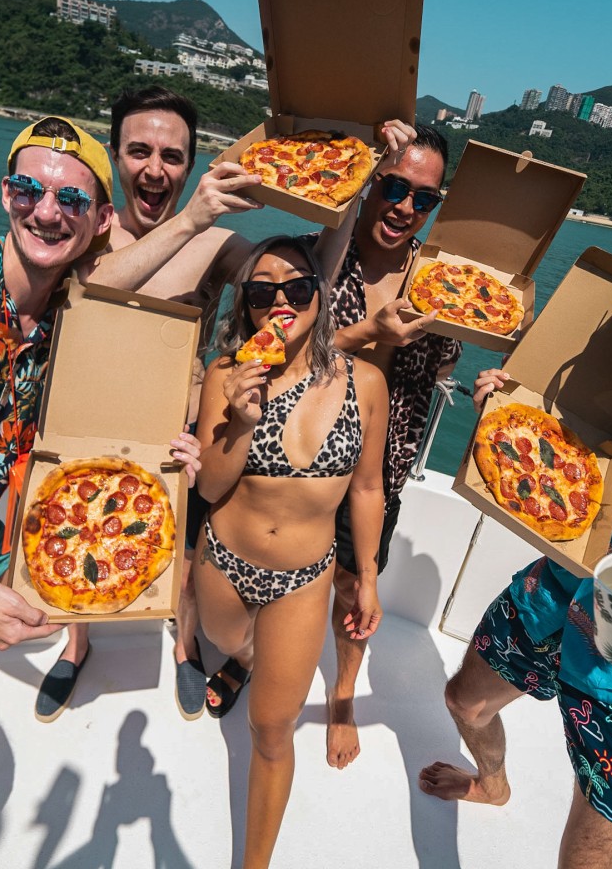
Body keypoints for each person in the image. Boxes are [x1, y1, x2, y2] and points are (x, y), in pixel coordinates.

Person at [36, 86, 416, 721]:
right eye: (139, 151)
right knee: (77, 536)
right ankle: (76, 647)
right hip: (90, 414)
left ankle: (185, 648)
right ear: (115, 154)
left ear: (192, 165)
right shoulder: (88, 230)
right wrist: (190, 219)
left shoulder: (216, 245)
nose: (155, 169)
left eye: (172, 156)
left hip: (180, 429)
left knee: (188, 558)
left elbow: (306, 278)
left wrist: (359, 181)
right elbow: (85, 297)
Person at [419, 217, 612, 869]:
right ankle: (493, 784)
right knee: (463, 703)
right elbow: (571, 450)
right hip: (558, 593)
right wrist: (508, 415)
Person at [0, 114, 202, 859]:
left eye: (72, 200)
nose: (47, 211)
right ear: (5, 193)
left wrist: (171, 451)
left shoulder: (69, 315)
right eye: (29, 189)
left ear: (100, 221)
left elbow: (127, 377)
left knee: (18, 607)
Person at [193, 235, 388, 869]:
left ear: (319, 297)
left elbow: (367, 488)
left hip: (304, 578)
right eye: (262, 291)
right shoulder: (226, 374)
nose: (281, 301)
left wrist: (367, 577)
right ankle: (246, 656)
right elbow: (210, 488)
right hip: (224, 559)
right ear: (247, 305)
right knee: (226, 641)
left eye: (297, 287)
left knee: (272, 730)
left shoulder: (366, 382)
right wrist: (240, 420)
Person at [305, 124, 463, 768]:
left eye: (424, 198)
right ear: (368, 183)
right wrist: (369, 332)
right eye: (394, 187)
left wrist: (500, 377)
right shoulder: (319, 255)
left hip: (380, 470)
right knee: (276, 566)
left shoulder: (440, 279)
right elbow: (279, 352)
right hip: (302, 454)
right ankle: (251, 655)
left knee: (352, 588)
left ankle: (343, 692)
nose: (405, 207)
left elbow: (446, 362)